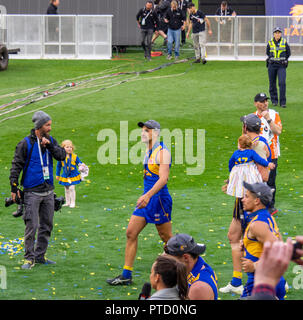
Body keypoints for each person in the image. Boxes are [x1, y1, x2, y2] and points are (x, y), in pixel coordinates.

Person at [107, 120, 173, 285]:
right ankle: (126, 275)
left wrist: (148, 195)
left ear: (156, 133)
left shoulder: (162, 152)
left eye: (147, 131)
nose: (143, 133)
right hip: (147, 199)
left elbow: (163, 179)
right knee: (131, 232)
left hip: (158, 200)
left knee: (167, 239)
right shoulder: (148, 149)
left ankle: (186, 266)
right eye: (143, 130)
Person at [220, 114, 272, 295]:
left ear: (244, 127)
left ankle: (269, 280)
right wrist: (231, 181)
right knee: (236, 236)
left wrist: (248, 192)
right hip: (247, 197)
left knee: (248, 238)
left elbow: (263, 176)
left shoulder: (256, 146)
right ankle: (237, 281)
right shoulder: (259, 142)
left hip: (250, 199)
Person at [9, 111, 66, 269]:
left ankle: (40, 256)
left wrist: (50, 146)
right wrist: (14, 187)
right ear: (39, 126)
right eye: (47, 125)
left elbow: (61, 156)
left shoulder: (50, 140)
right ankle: (29, 258)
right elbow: (16, 165)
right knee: (31, 226)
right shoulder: (25, 143)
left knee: (46, 225)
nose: (50, 128)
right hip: (31, 192)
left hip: (48, 191)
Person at [240, 182, 286, 299]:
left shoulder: (257, 225)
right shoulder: (268, 218)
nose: (242, 200)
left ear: (257, 201)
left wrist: (255, 265)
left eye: (246, 196)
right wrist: (247, 244)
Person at [165, 233, 218, 300]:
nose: (168, 262)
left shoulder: (198, 288)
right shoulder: (198, 264)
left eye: (171, 259)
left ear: (186, 257)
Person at [253, 93, 282, 215]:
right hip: (258, 154)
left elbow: (278, 131)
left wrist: (268, 119)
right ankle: (258, 205)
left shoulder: (274, 114)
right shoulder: (252, 117)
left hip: (272, 154)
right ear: (256, 103)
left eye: (266, 101)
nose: (265, 103)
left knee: (270, 181)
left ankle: (270, 206)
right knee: (258, 180)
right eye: (261, 101)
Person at [227, 134, 275, 199]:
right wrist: (268, 164)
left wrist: (231, 171)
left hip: (238, 173)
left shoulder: (236, 153)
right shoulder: (251, 152)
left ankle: (243, 197)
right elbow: (260, 160)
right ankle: (264, 191)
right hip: (250, 171)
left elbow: (231, 162)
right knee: (256, 182)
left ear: (240, 145)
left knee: (240, 185)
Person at [266, 27, 291, 108]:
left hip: (281, 66)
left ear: (281, 34)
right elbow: (267, 52)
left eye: (279, 32)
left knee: (282, 83)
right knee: (272, 83)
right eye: (276, 32)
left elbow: (288, 53)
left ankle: (283, 102)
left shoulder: (284, 42)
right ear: (273, 34)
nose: (277, 34)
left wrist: (283, 60)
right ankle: (274, 101)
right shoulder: (270, 42)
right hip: (272, 65)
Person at [56, 140, 84, 208]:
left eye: (70, 147)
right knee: (66, 188)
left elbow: (79, 163)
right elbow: (58, 166)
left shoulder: (74, 156)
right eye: (67, 147)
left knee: (72, 188)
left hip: (73, 175)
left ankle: (73, 202)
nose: (69, 148)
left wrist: (81, 166)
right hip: (65, 175)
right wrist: (57, 174)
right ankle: (67, 202)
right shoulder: (61, 157)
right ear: (63, 148)